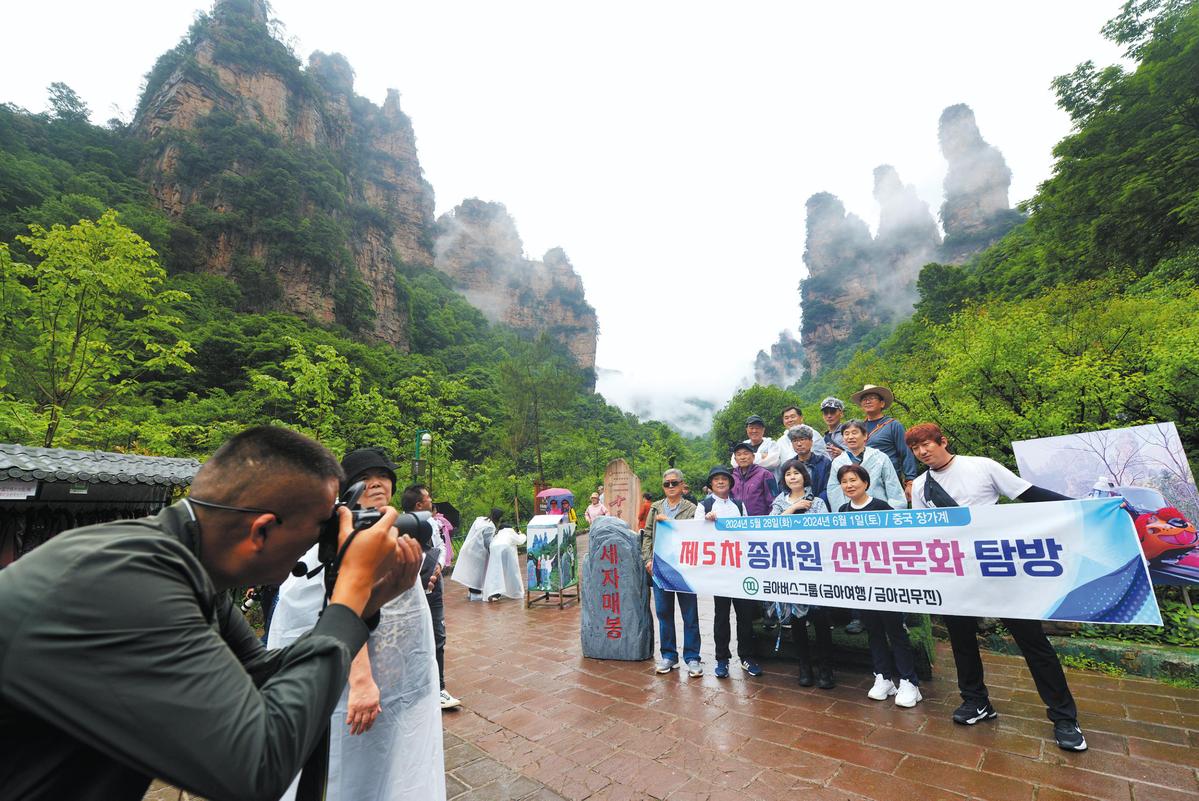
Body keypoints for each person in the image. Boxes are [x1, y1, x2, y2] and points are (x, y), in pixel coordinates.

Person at [0, 426, 424, 801]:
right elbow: (256, 769)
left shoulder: (183, 568)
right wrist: (346, 600)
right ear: (261, 530)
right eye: (324, 525)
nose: (333, 536)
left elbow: (259, 677)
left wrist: (364, 604)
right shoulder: (125, 580)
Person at [269, 447, 445, 800]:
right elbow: (337, 605)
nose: (378, 482)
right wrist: (361, 679)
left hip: (397, 681)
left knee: (393, 759)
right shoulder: (336, 540)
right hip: (349, 684)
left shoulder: (394, 531)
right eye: (367, 476)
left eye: (385, 476)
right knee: (345, 763)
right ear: (347, 488)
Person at [906, 423, 1088, 751]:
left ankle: (1064, 717)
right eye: (916, 449)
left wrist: (1085, 509)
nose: (922, 452)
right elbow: (923, 531)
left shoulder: (982, 466)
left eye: (927, 445)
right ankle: (976, 701)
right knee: (961, 640)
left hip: (997, 568)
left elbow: (1030, 494)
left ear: (942, 441)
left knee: (1032, 641)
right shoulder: (920, 485)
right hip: (955, 573)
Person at [835, 464, 921, 708]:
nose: (849, 485)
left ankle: (909, 680)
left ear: (865, 482)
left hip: (885, 581)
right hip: (860, 582)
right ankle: (883, 676)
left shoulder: (881, 508)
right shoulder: (842, 510)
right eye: (844, 481)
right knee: (872, 629)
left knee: (895, 629)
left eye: (853, 480)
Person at [769, 458, 834, 688]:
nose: (793, 476)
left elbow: (826, 530)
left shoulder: (817, 502)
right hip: (789, 567)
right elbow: (771, 527)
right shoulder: (779, 503)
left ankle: (826, 669)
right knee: (797, 620)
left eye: (797, 472)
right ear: (784, 479)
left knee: (820, 618)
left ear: (804, 476)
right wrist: (793, 508)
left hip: (814, 567)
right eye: (788, 474)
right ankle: (804, 667)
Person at [699, 465, 763, 679]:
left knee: (745, 615)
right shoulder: (704, 505)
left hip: (740, 567)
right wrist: (706, 522)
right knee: (721, 615)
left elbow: (746, 532)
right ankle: (722, 659)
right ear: (711, 484)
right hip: (719, 569)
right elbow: (695, 534)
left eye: (724, 479)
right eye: (716, 479)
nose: (720, 482)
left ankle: (746, 657)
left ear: (730, 483)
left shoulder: (738, 505)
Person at [399, 484, 459, 710]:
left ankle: (439, 687)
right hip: (406, 589)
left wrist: (439, 566)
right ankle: (413, 686)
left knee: (437, 634)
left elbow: (441, 547)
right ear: (418, 504)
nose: (432, 500)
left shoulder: (432, 523)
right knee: (409, 635)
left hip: (434, 587)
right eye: (428, 498)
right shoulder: (398, 526)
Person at [642, 468, 701, 677]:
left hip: (684, 569)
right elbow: (647, 534)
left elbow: (698, 534)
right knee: (664, 613)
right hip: (660, 568)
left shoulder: (692, 508)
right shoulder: (655, 508)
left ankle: (693, 657)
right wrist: (648, 559)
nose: (670, 487)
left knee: (690, 614)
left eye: (674, 483)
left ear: (682, 485)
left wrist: (671, 523)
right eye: (666, 484)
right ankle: (669, 656)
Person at [849, 384, 917, 498]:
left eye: (872, 398)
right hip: (863, 482)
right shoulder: (859, 428)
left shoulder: (893, 425)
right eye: (864, 399)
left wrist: (910, 482)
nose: (867, 401)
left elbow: (906, 453)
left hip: (889, 480)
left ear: (882, 403)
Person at [827, 420, 906, 512]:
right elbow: (834, 490)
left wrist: (895, 512)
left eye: (854, 433)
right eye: (846, 434)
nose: (850, 437)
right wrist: (841, 514)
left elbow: (892, 485)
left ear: (865, 436)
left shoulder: (880, 457)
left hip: (879, 511)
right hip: (850, 512)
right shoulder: (837, 462)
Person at [450, 510, 498, 600]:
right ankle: (475, 596)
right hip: (478, 553)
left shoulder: (481, 519)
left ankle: (471, 593)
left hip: (469, 548)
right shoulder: (490, 526)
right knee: (477, 575)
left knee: (471, 572)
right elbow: (488, 542)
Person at [482, 509, 526, 601]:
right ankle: (516, 592)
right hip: (505, 549)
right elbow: (521, 540)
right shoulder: (509, 531)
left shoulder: (499, 533)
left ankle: (494, 593)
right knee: (512, 571)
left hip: (494, 548)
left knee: (496, 572)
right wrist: (521, 534)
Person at [775, 406, 827, 483]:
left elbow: (821, 458)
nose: (790, 420)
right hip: (790, 482)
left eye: (793, 417)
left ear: (801, 418)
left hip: (814, 479)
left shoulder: (813, 434)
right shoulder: (780, 441)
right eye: (786, 418)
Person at [786, 424, 833, 505]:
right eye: (795, 441)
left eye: (802, 439)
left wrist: (815, 504)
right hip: (793, 508)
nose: (799, 444)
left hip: (819, 507)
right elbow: (784, 489)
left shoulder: (824, 462)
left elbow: (829, 488)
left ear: (811, 442)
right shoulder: (788, 465)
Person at [731, 441, 776, 516]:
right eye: (739, 455)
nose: (742, 457)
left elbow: (774, 501)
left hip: (759, 522)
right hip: (738, 522)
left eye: (746, 453)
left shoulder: (765, 474)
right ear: (735, 459)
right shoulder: (732, 478)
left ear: (753, 457)